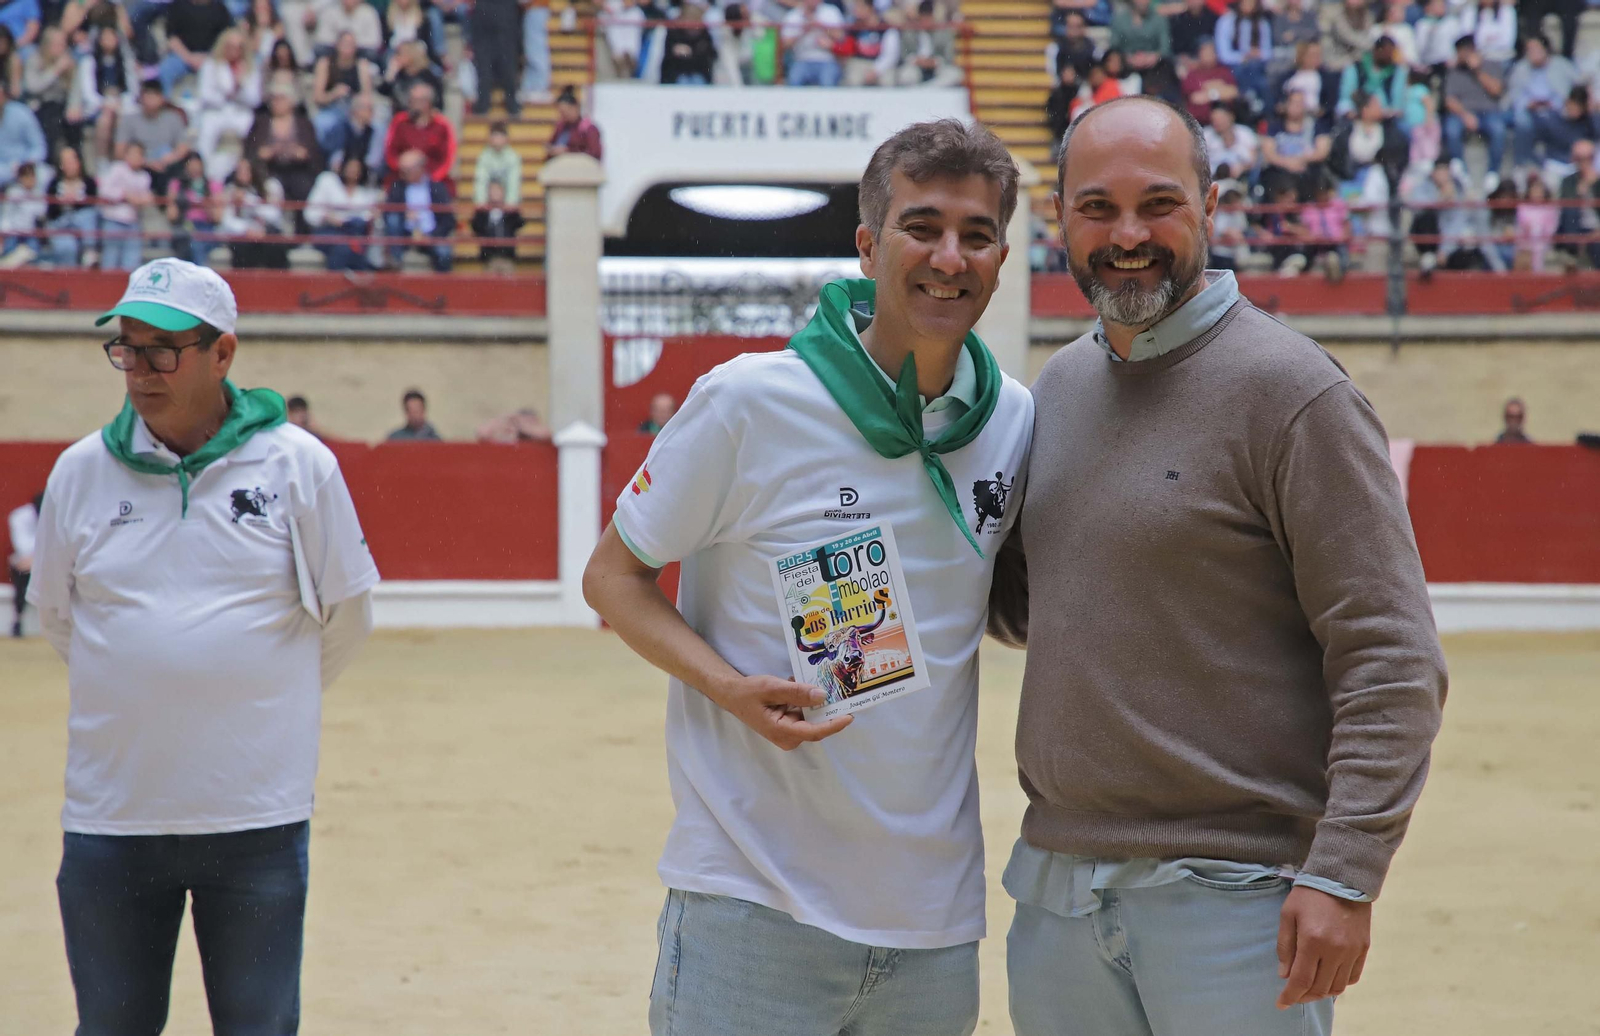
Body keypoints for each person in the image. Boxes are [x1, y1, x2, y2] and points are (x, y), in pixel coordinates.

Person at [996, 94, 1447, 1036]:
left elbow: (1392, 659)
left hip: (1239, 902)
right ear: (1061, 220)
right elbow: (1031, 605)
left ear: (1212, 203)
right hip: (1057, 893)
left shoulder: (1294, 393)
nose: (1128, 235)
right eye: (1097, 207)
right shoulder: (1062, 385)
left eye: (1158, 203)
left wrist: (1345, 872)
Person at [582, 118, 1033, 1036]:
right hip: (753, 905)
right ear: (868, 246)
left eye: (976, 234)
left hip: (934, 925)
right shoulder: (749, 400)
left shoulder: (1014, 420)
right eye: (922, 226)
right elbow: (612, 577)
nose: (950, 256)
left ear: (1001, 256)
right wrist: (726, 687)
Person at [27, 257, 378, 1036]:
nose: (141, 370)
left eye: (164, 350)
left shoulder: (298, 466)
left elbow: (348, 616)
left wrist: (255, 695)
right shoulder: (80, 473)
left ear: (223, 354)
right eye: (127, 347)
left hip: (255, 819)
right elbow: (60, 621)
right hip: (113, 819)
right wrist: (157, 683)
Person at [1508, 35, 1579, 173]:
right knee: (1521, 122)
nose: (1532, 53)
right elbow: (1514, 95)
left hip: (1556, 109)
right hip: (1529, 111)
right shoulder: (1521, 68)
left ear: (1546, 49)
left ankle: (1560, 159)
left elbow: (1576, 86)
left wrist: (1557, 103)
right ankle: (1522, 163)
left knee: (1557, 120)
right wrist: (1528, 104)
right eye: (1529, 50)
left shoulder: (1561, 64)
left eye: (1536, 49)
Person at [1444, 35, 1507, 187]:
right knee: (1451, 129)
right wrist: (1465, 115)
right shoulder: (1455, 72)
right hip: (1463, 113)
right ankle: (1459, 167)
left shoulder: (1491, 66)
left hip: (1489, 112)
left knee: (1498, 130)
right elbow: (1449, 100)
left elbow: (1496, 90)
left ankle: (1493, 172)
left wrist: (1477, 71)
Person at [195, 27, 261, 172]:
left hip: (240, 112)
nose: (234, 50)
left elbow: (255, 99)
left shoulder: (250, 67)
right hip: (216, 111)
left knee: (252, 133)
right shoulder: (211, 65)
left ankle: (247, 172)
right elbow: (205, 94)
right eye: (230, 46)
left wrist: (239, 86)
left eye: (239, 47)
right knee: (206, 132)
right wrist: (228, 93)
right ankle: (202, 172)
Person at [116, 80, 193, 194]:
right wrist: (145, 162)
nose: (151, 99)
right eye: (148, 95)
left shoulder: (173, 118)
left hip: (168, 165)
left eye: (155, 95)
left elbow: (183, 147)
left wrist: (170, 158)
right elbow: (119, 152)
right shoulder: (129, 120)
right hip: (140, 166)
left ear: (162, 97)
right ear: (141, 97)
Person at [383, 146, 453, 271]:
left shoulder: (437, 188)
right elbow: (388, 212)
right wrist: (404, 215)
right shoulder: (397, 187)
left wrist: (432, 236)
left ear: (420, 168)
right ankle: (395, 268)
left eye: (406, 171)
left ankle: (443, 287)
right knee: (393, 220)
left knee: (444, 253)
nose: (402, 175)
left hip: (431, 234)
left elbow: (448, 219)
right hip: (406, 234)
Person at [77, 25, 137, 165]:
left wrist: (119, 101)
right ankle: (102, 160)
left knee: (121, 119)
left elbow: (133, 90)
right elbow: (89, 93)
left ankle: (120, 160)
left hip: (122, 105)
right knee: (105, 119)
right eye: (105, 38)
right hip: (99, 107)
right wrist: (106, 103)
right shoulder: (89, 62)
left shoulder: (126, 62)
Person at [306, 154, 378, 270]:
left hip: (355, 232)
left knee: (352, 246)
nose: (353, 171)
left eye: (356, 169)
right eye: (350, 167)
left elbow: (369, 215)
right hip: (328, 231)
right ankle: (339, 281)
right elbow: (310, 213)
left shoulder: (366, 193)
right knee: (345, 247)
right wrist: (327, 216)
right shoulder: (327, 181)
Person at [310, 30, 375, 155]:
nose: (348, 47)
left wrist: (356, 103)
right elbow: (317, 97)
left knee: (372, 125)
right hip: (331, 108)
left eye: (351, 44)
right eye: (345, 43)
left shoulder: (361, 65)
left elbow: (366, 95)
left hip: (354, 109)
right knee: (320, 124)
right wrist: (334, 94)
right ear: (337, 45)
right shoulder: (325, 63)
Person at [382, 80, 456, 187]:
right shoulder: (399, 122)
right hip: (402, 179)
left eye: (418, 100)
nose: (413, 104)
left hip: (433, 182)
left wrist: (431, 179)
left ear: (428, 103)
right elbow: (390, 152)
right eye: (412, 100)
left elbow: (448, 158)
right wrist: (404, 167)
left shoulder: (442, 125)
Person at [155, 0, 235, 93]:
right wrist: (189, 57)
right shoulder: (178, 6)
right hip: (182, 56)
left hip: (211, 57)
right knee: (166, 68)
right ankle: (165, 102)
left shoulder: (221, 9)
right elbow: (171, 37)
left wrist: (208, 57)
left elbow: (226, 38)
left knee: (223, 71)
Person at [98, 140, 154, 270]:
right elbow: (104, 191)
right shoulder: (117, 169)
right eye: (132, 154)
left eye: (139, 154)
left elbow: (146, 198)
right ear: (126, 155)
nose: (136, 157)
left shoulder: (144, 177)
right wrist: (125, 195)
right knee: (110, 261)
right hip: (114, 220)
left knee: (131, 263)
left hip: (133, 223)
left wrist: (141, 200)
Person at [45, 145, 97, 268]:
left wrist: (76, 201)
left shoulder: (89, 182)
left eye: (72, 161)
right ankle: (69, 276)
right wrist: (61, 202)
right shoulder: (53, 184)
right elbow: (50, 212)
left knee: (87, 215)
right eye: (65, 162)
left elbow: (93, 205)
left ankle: (89, 251)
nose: (69, 165)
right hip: (61, 223)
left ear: (79, 162)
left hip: (82, 222)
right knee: (67, 246)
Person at [468, 0, 520, 113]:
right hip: (494, 20)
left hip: (495, 20)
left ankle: (506, 103)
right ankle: (488, 104)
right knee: (489, 68)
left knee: (501, 67)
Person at [782, 0, 843, 87]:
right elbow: (785, 44)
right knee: (794, 79)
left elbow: (840, 36)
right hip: (801, 59)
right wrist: (803, 30)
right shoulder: (793, 15)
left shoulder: (831, 11)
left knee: (828, 81)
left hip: (827, 59)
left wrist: (821, 26)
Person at [8, 490, 41, 637]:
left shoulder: (58, 515)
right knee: (22, 569)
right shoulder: (20, 516)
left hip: (46, 561)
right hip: (29, 562)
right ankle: (18, 619)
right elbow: (22, 547)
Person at [1181, 39, 1238, 124]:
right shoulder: (1192, 74)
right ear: (1199, 54)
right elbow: (1196, 98)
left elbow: (1233, 92)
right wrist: (1220, 89)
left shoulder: (1224, 71)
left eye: (1211, 52)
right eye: (1205, 52)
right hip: (1199, 123)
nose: (1208, 55)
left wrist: (1210, 94)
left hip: (1225, 123)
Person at [0, 76, 44, 183]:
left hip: (25, 165)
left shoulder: (22, 113)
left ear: (5, 96)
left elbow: (39, 146)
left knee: (44, 175)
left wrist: (26, 163)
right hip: (2, 169)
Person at [661, 0, 716, 85]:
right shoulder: (674, 33)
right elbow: (668, 59)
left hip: (699, 75)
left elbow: (711, 55)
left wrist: (690, 52)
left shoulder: (705, 34)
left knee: (697, 81)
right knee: (683, 81)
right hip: (677, 76)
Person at [547, 85, 601, 159]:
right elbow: (550, 146)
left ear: (576, 107)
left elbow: (595, 154)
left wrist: (569, 152)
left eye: (566, 111)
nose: (564, 115)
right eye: (561, 112)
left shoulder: (588, 129)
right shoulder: (560, 127)